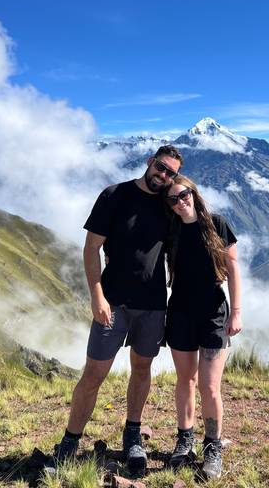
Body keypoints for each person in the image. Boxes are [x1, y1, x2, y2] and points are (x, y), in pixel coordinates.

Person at [53, 145, 183, 475]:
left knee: (142, 369)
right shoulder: (114, 195)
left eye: (171, 173)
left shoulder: (169, 206)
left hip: (153, 306)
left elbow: (186, 238)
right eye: (161, 167)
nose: (164, 176)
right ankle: (70, 441)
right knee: (94, 374)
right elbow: (91, 248)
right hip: (113, 303)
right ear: (149, 162)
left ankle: (133, 434)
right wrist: (97, 296)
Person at [163, 175, 242, 480]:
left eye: (183, 195)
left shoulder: (218, 224)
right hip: (180, 312)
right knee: (186, 379)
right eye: (172, 199)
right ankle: (185, 440)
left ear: (193, 193)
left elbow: (233, 268)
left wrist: (236, 312)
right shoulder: (171, 231)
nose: (179, 202)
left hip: (213, 313)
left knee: (210, 386)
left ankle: (213, 447)